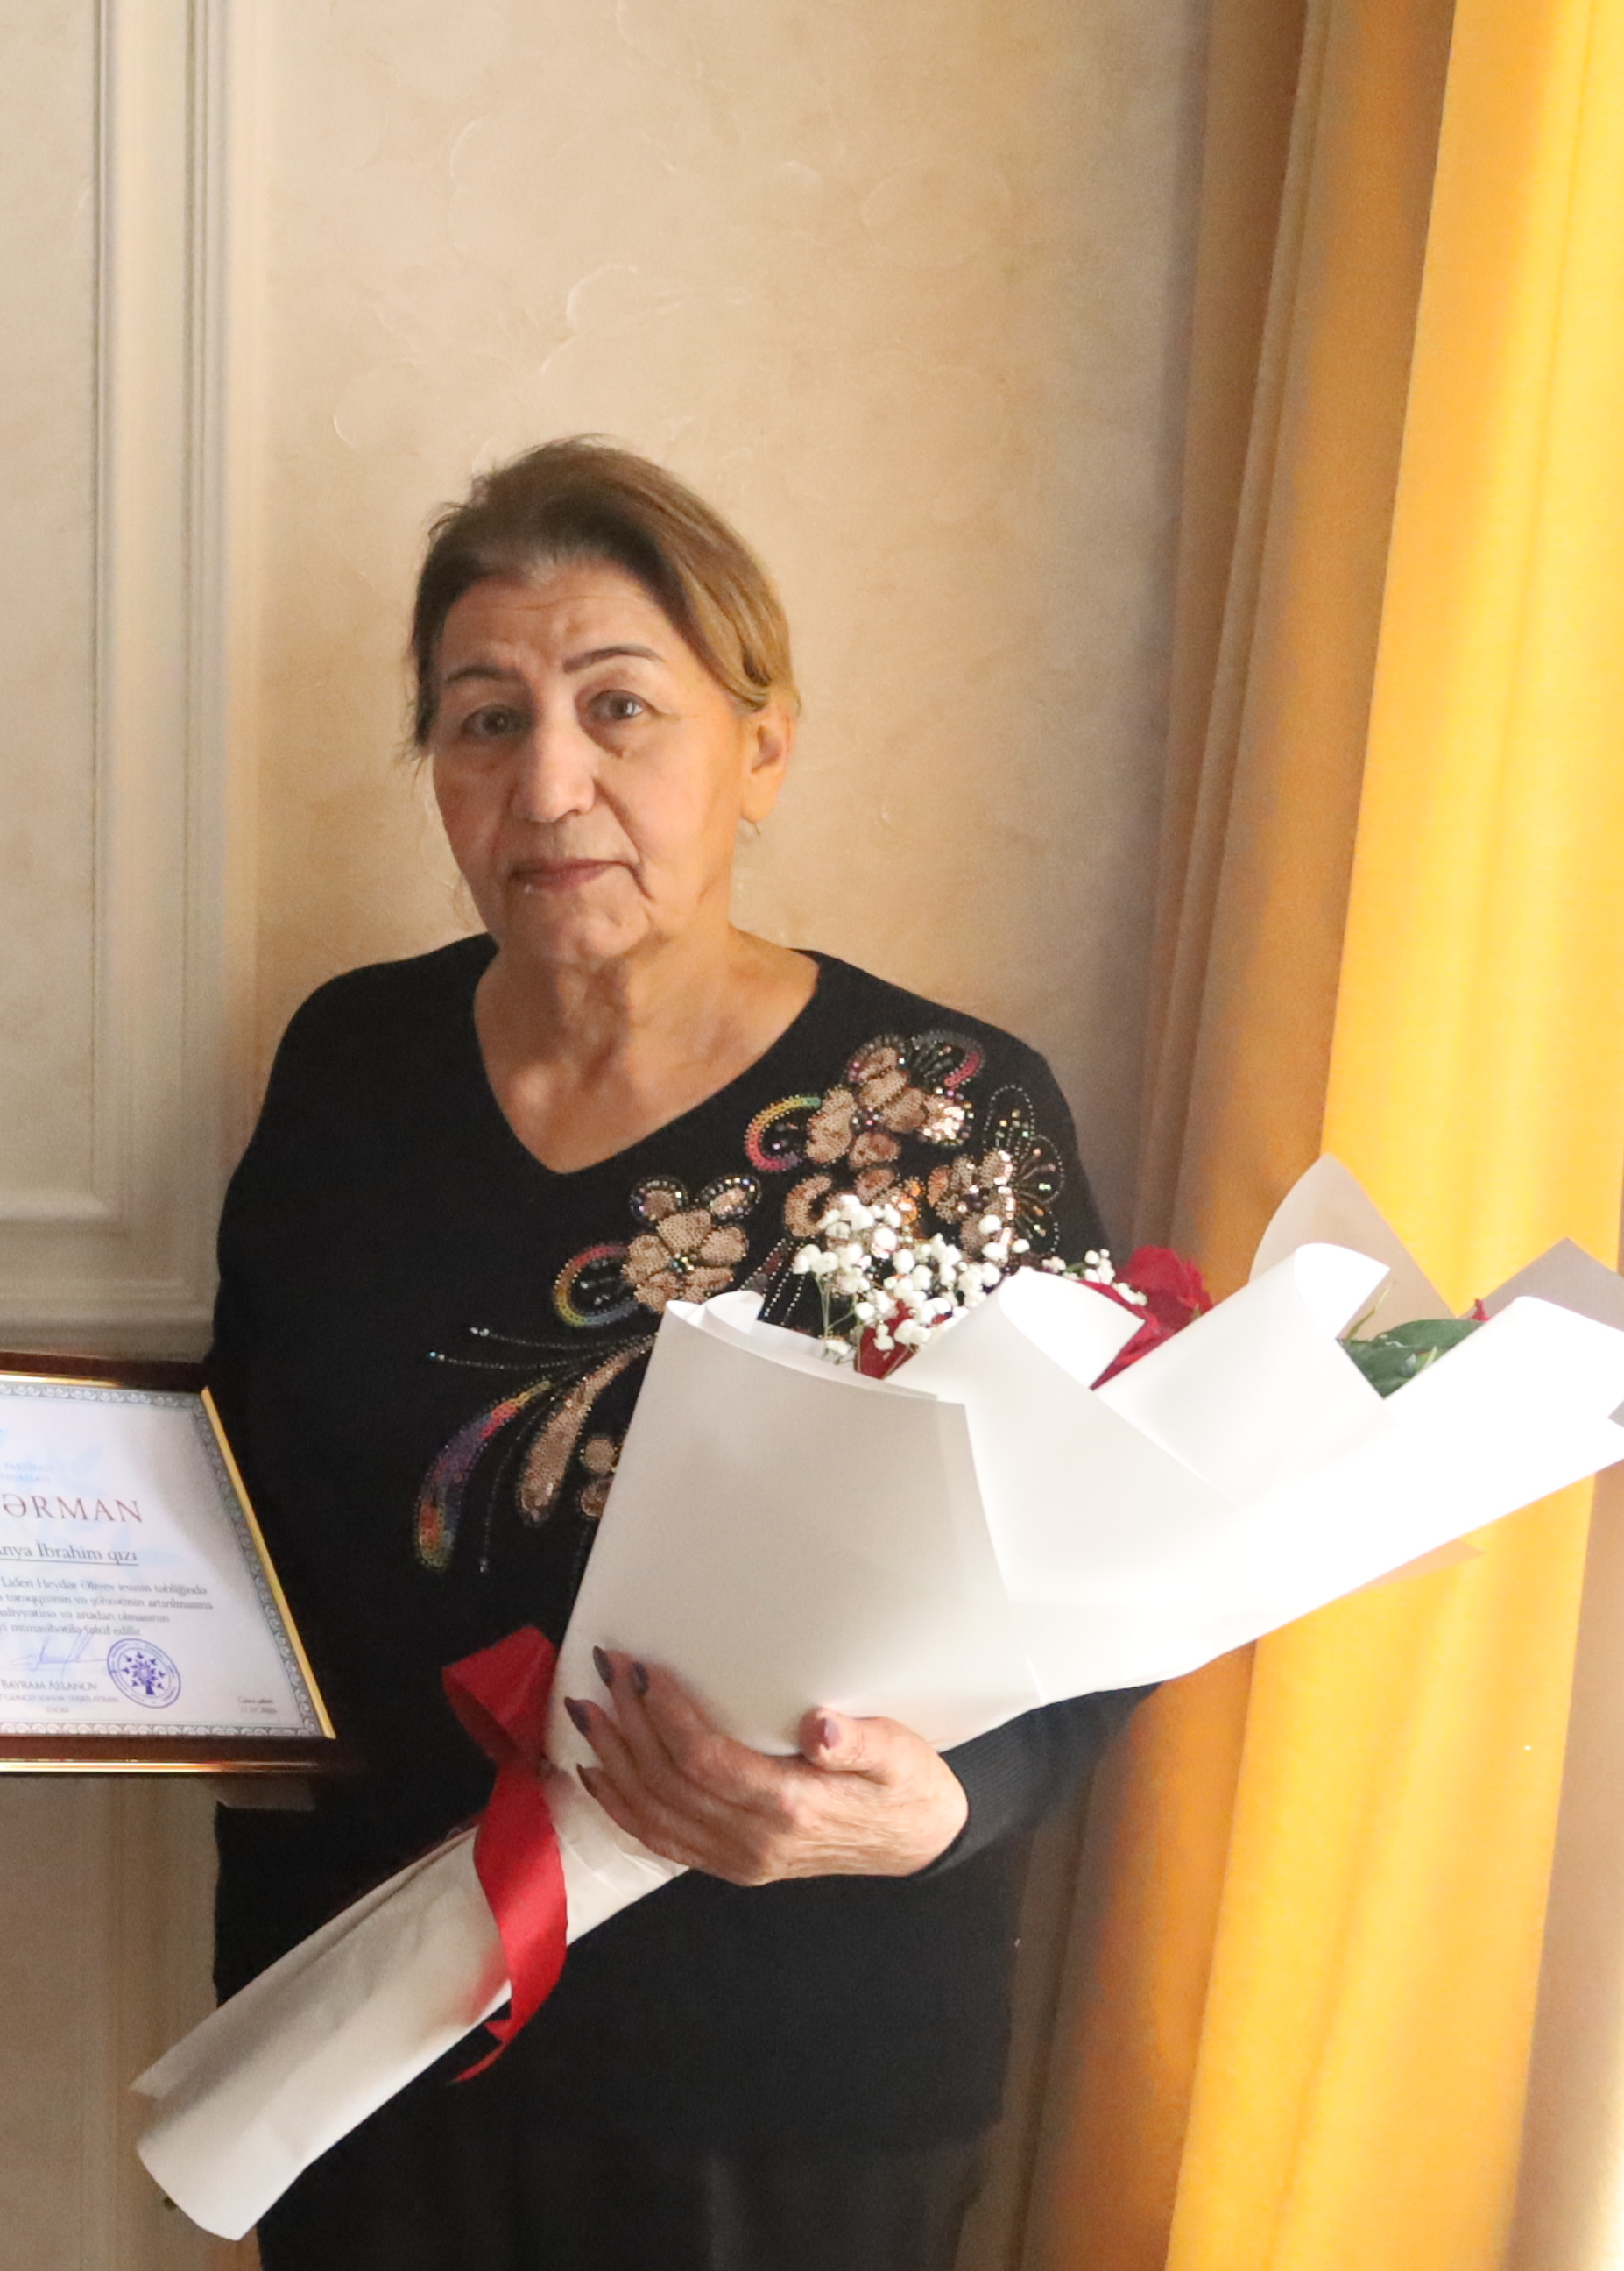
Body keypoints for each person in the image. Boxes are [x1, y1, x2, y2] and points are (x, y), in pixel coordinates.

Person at [206, 438, 1141, 2271]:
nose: (548, 784)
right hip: (373, 2023)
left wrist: (956, 1805)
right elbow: (231, 1486)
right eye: (484, 721)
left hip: (785, 2060)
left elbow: (1112, 1575)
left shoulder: (944, 1109)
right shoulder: (351, 1066)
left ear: (761, 748)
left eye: (619, 708)